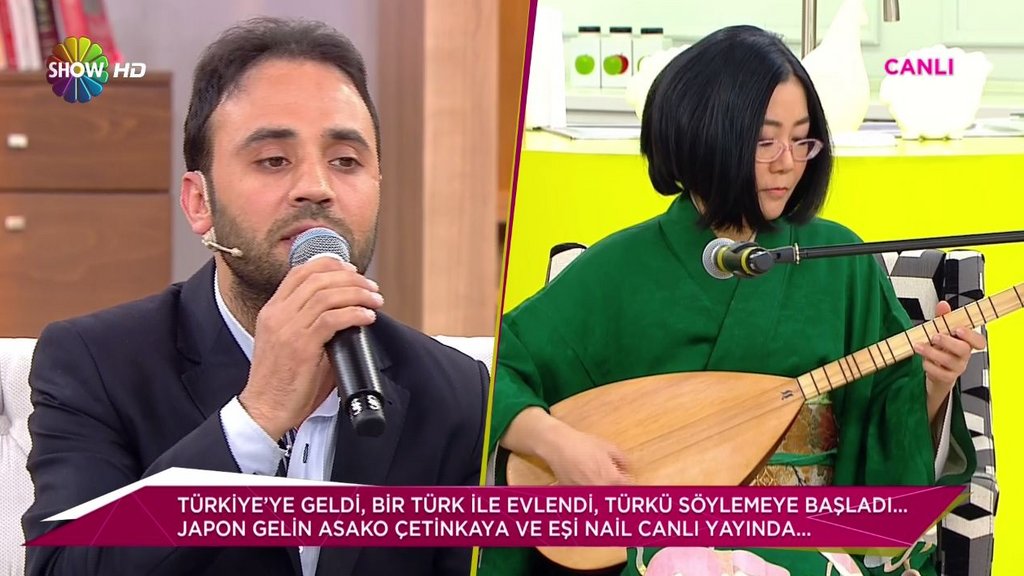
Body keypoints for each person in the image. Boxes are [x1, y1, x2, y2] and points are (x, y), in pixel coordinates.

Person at [481, 25, 983, 576]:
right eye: (765, 142)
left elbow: (888, 429)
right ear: (705, 136)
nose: (788, 162)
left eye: (802, 140)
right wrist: (556, 443)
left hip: (807, 547)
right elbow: (494, 370)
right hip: (662, 548)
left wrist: (932, 386)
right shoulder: (618, 268)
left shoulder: (841, 262)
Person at [22, 17, 488, 576]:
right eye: (273, 160)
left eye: (346, 161)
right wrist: (256, 417)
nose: (316, 187)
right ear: (200, 203)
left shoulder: (456, 392)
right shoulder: (96, 364)